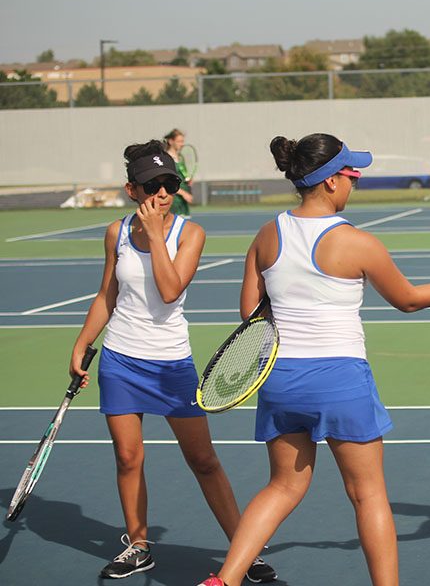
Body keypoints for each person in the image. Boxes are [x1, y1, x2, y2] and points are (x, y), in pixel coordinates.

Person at [196, 133, 430, 586]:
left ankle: (224, 580)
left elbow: (250, 313)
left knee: (282, 487)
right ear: (332, 182)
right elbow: (410, 301)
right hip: (339, 380)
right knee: (368, 494)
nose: (354, 184)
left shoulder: (267, 234)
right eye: (352, 176)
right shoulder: (358, 243)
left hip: (280, 380)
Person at [69, 140, 276, 583]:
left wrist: (157, 237)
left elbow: (169, 289)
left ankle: (245, 549)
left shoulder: (190, 233)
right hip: (121, 359)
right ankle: (138, 546)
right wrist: (82, 343)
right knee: (128, 458)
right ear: (131, 189)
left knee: (203, 460)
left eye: (169, 184)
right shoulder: (116, 233)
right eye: (152, 185)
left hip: (170, 365)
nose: (162, 194)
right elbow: (108, 294)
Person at [164, 128, 194, 218]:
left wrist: (188, 181)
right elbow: (167, 181)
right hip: (173, 200)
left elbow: (182, 176)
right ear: (170, 141)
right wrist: (184, 193)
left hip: (182, 201)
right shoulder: (166, 158)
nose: (182, 144)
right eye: (179, 141)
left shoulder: (180, 158)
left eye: (182, 141)